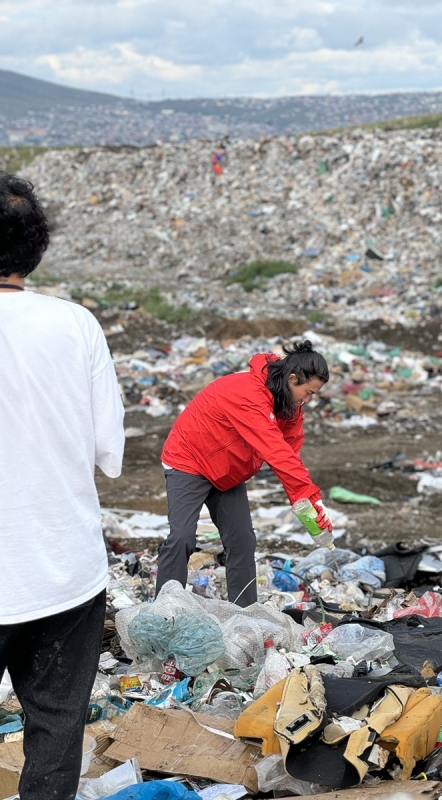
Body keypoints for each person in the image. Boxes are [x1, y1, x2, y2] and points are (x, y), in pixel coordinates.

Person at [0, 173, 125, 800]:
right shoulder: (77, 325)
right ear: (37, 247)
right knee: (55, 727)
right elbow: (109, 455)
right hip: (64, 573)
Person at [156, 341, 332, 606]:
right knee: (182, 537)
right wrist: (305, 493)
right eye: (307, 392)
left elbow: (289, 454)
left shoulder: (289, 406)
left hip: (228, 471)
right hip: (189, 461)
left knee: (242, 541)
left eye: (313, 396)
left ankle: (245, 614)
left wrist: (308, 502)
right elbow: (274, 450)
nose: (306, 400)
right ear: (292, 378)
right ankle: (164, 610)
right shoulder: (248, 394)